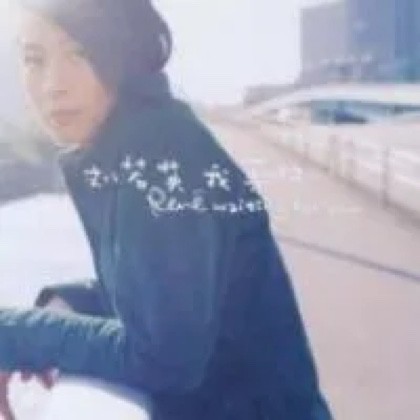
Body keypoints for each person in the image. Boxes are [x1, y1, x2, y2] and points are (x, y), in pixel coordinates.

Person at [0, 0, 334, 419]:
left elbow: (164, 357)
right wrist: (66, 303)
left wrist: (14, 335)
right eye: (34, 59)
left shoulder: (158, 153)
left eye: (79, 53)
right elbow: (162, 291)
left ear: (122, 52)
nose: (53, 85)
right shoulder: (140, 140)